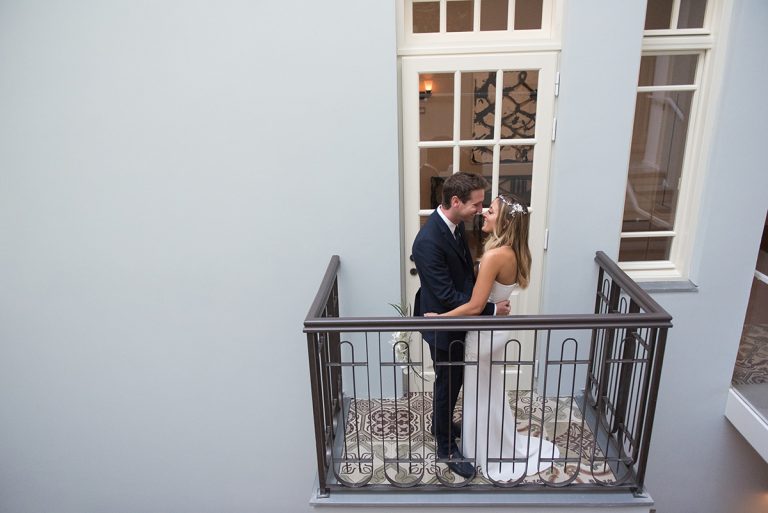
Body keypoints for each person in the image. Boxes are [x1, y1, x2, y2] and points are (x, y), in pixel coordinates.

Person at [427, 193, 560, 482]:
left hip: (483, 335)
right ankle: (489, 439)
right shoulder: (512, 251)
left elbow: (475, 307)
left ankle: (483, 450)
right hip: (495, 330)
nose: (484, 213)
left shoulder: (494, 256)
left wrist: (441, 318)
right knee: (489, 389)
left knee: (479, 391)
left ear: (506, 221)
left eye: (491, 211)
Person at [412, 172, 511, 479]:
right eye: (476, 204)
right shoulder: (427, 241)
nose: (480, 210)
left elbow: (464, 276)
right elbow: (445, 295)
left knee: (452, 381)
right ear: (455, 201)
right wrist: (489, 308)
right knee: (448, 384)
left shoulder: (456, 226)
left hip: (459, 318)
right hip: (443, 325)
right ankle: (445, 448)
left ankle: (439, 425)